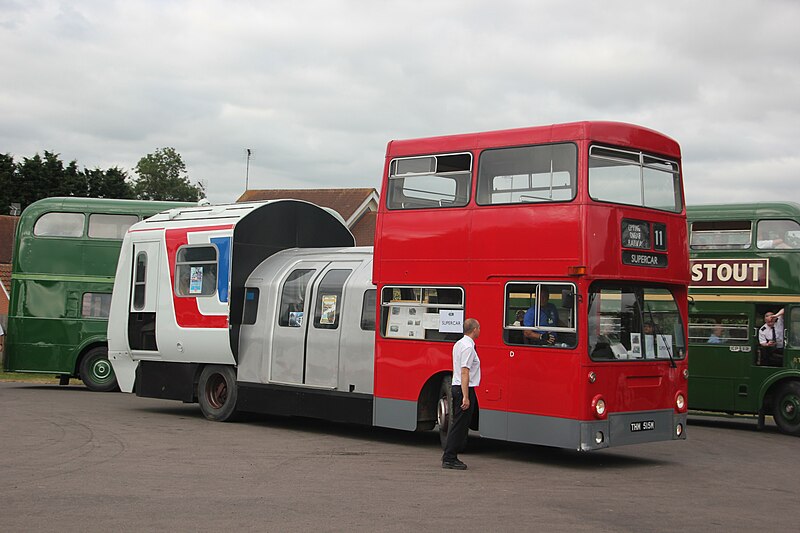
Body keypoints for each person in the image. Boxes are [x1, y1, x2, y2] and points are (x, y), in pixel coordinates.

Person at [442, 318, 481, 470]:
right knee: (460, 425)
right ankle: (450, 457)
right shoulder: (468, 348)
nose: (479, 330)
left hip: (458, 386)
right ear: (474, 330)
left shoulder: (459, 344)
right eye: (479, 328)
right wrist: (466, 396)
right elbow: (465, 371)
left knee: (459, 423)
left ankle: (449, 455)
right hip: (464, 387)